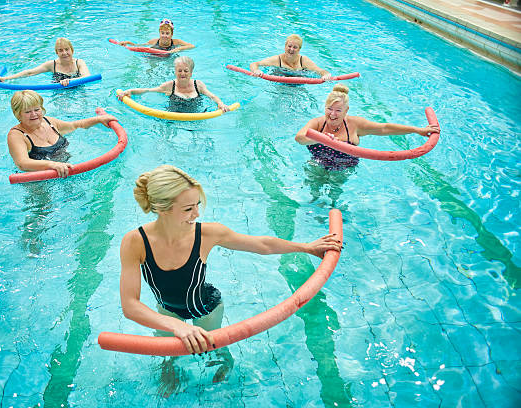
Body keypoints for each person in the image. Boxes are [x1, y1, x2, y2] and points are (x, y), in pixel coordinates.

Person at [119, 165, 342, 388]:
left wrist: (306, 247)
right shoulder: (135, 242)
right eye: (188, 209)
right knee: (168, 356)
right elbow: (130, 305)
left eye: (197, 205)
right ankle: (171, 367)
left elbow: (261, 245)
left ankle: (224, 362)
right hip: (167, 311)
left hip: (205, 307)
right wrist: (176, 326)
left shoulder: (207, 234)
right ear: (162, 209)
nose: (197, 214)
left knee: (213, 349)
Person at [295, 84, 440, 170]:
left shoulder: (355, 124)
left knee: (335, 196)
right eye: (329, 109)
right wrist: (321, 138)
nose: (332, 114)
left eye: (338, 110)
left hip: (345, 168)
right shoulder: (318, 123)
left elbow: (384, 128)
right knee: (314, 194)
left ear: (346, 111)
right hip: (317, 163)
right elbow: (300, 138)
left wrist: (418, 130)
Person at [6, 90, 117, 177]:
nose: (34, 114)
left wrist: (98, 119)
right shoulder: (16, 135)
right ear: (18, 114)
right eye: (28, 112)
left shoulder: (49, 122)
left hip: (66, 169)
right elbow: (22, 163)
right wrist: (53, 165)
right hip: (38, 178)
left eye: (37, 109)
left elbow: (75, 126)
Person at [117, 56, 230, 113]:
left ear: (191, 73)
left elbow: (212, 96)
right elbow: (148, 90)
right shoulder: (170, 86)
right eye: (179, 70)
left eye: (186, 71)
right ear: (175, 72)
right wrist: (130, 91)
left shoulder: (198, 85)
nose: (182, 73)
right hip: (173, 117)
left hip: (196, 116)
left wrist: (220, 104)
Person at [0, 37, 90, 87]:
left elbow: (87, 77)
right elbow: (30, 72)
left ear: (72, 50)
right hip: (58, 91)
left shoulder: (79, 62)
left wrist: (69, 81)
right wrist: (5, 78)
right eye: (60, 50)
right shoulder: (52, 65)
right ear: (56, 53)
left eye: (67, 49)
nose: (64, 53)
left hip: (78, 88)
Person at [250, 34, 331, 79]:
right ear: (285, 46)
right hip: (280, 85)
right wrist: (256, 70)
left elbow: (320, 71)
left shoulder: (303, 60)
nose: (291, 49)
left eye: (295, 47)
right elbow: (254, 64)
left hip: (299, 85)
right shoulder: (277, 60)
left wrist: (326, 75)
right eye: (289, 46)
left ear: (299, 49)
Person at [118, 18, 194, 53]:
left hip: (168, 56)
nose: (164, 35)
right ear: (159, 33)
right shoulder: (154, 41)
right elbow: (140, 46)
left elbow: (191, 46)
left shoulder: (176, 42)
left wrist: (177, 49)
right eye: (162, 33)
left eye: (167, 33)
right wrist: (128, 43)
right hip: (155, 56)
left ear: (172, 34)